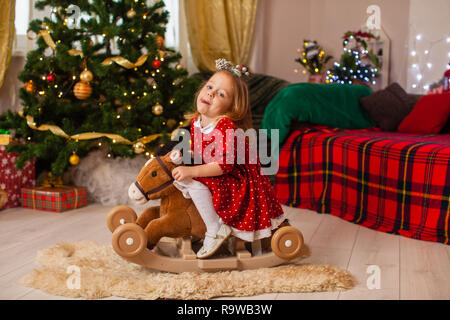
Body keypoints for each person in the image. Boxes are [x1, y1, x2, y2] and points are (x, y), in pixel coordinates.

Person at [171, 59, 285, 259]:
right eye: (210, 86)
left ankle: (215, 229)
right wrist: (184, 155)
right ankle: (197, 222)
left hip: (236, 179)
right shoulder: (198, 121)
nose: (212, 93)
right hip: (215, 170)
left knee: (193, 183)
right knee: (183, 178)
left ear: (232, 107)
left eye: (221, 94)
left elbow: (224, 165)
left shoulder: (225, 126)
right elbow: (200, 150)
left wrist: (192, 171)